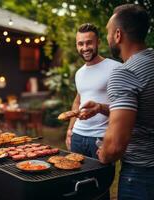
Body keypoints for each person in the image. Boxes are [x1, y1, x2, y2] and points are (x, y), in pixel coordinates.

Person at [97, 4, 154, 200]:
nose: (108, 37)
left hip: (140, 178)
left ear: (118, 35)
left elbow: (116, 145)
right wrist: (102, 107)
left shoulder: (124, 72)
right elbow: (145, 108)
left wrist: (103, 153)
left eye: (109, 32)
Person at [65, 23, 121, 159]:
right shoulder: (79, 73)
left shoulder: (116, 68)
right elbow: (78, 101)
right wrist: (70, 129)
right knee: (75, 178)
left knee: (100, 180)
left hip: (100, 138)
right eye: (80, 44)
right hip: (77, 136)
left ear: (98, 43)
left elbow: (123, 106)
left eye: (89, 43)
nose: (85, 48)